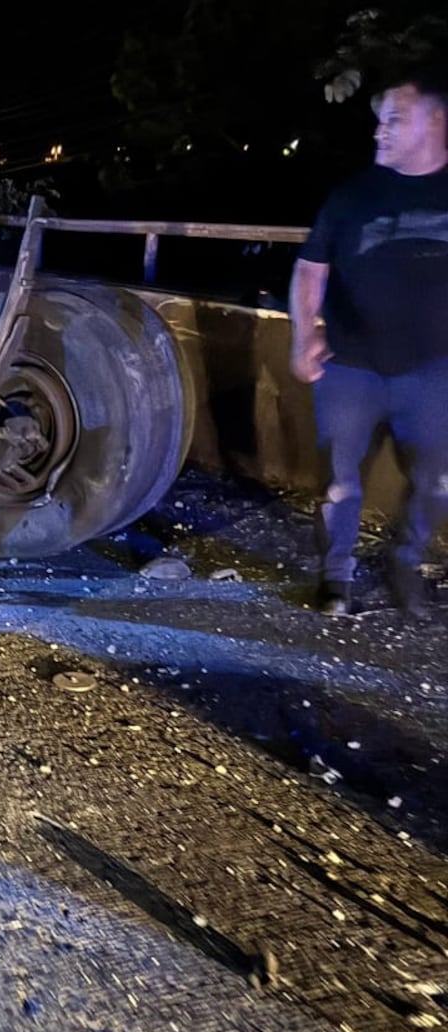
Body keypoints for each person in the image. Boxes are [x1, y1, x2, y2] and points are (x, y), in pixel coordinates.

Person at [290, 64, 448, 617]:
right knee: (338, 483)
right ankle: (336, 575)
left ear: (434, 122)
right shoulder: (352, 195)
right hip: (349, 367)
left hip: (434, 371)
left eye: (394, 121)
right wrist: (303, 335)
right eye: (379, 122)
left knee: (437, 482)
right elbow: (310, 269)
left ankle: (406, 564)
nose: (379, 132)